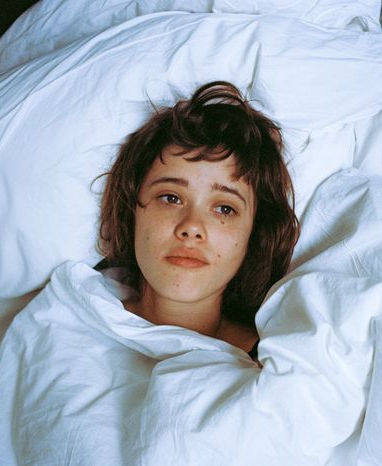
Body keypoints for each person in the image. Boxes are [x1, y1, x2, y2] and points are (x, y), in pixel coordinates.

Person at [98, 81, 299, 358]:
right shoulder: (68, 318)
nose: (191, 227)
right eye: (171, 198)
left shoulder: (279, 361)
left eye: (224, 209)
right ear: (132, 212)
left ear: (253, 233)